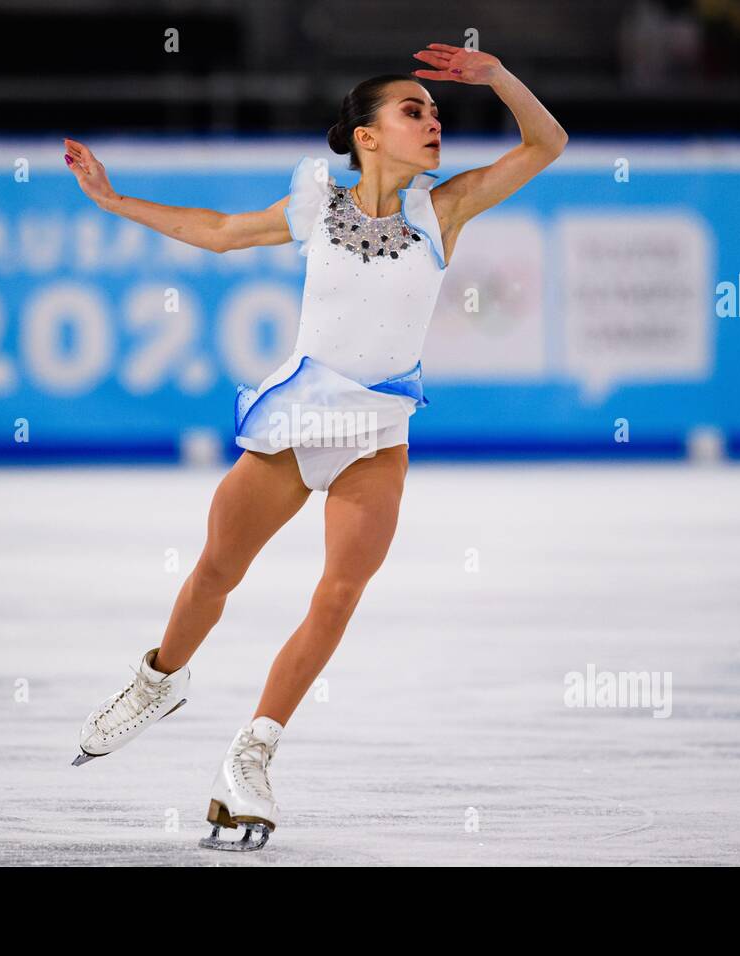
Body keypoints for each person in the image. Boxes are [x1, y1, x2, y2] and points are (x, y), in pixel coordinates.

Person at [63, 43, 567, 851]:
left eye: (435, 113)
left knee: (337, 594)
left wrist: (501, 80)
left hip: (377, 435)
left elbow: (547, 146)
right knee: (217, 570)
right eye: (414, 111)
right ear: (366, 136)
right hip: (298, 421)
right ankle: (158, 680)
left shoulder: (447, 209)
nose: (433, 122)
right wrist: (115, 202)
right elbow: (222, 232)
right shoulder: (314, 207)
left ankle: (253, 752)